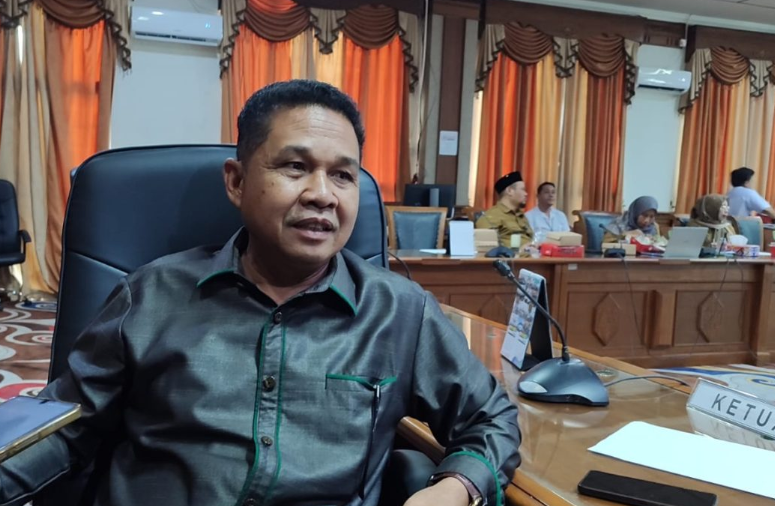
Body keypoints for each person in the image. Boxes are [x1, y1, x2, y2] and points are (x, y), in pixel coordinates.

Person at [0, 81, 520, 506]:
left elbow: (491, 419)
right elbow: (65, 426)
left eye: (343, 175)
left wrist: (454, 488)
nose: (322, 194)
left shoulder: (399, 313)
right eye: (295, 167)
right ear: (236, 182)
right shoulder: (152, 293)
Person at [475, 171, 534, 248]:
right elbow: (486, 249)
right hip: (512, 255)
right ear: (510, 191)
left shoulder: (521, 216)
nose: (526, 194)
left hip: (534, 254)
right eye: (522, 189)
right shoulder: (490, 216)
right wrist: (518, 251)